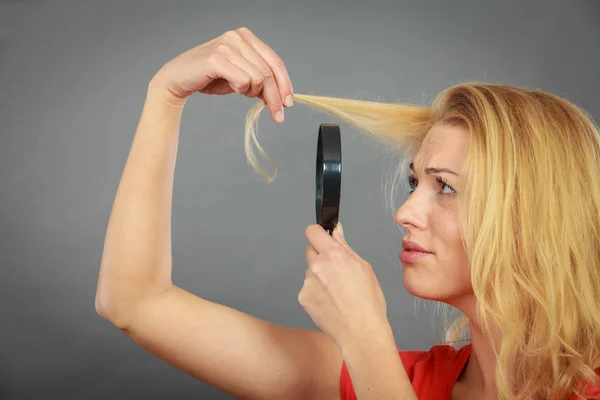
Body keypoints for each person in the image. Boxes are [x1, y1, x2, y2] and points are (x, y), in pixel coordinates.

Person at [95, 27, 600, 400]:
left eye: (445, 187)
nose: (404, 212)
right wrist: (165, 95)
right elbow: (135, 303)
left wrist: (363, 334)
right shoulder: (404, 379)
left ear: (530, 218)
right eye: (414, 182)